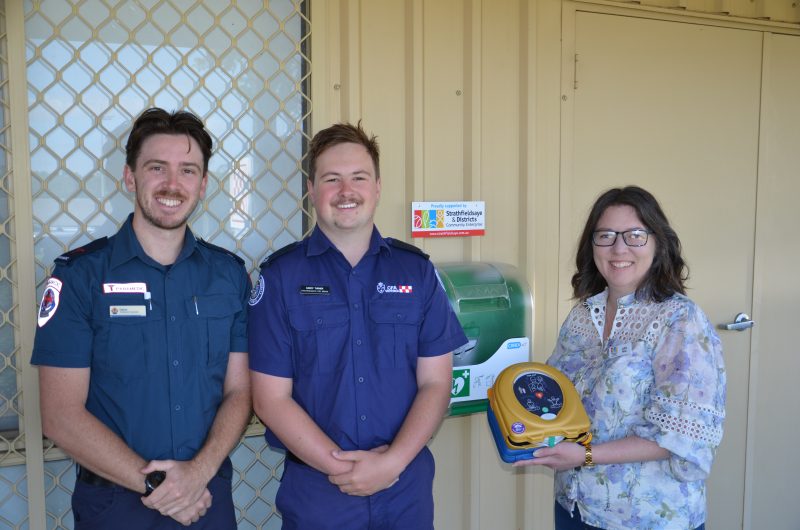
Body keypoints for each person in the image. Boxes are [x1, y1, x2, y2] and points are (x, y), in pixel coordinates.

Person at [32, 108, 252, 529]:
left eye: (188, 170)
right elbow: (60, 414)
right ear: (130, 177)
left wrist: (197, 475)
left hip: (205, 501)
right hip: (116, 507)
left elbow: (240, 391)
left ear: (203, 185)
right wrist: (160, 488)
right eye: (157, 168)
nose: (173, 184)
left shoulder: (228, 276)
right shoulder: (80, 277)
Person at [248, 121, 468, 529]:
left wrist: (392, 463)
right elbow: (269, 399)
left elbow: (436, 383)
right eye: (332, 179)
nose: (346, 191)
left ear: (378, 187)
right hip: (318, 489)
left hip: (405, 486)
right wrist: (346, 469)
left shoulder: (416, 271)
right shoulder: (279, 278)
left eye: (358, 178)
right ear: (312, 191)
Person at [520, 186, 726, 530]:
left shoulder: (680, 321)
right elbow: (555, 394)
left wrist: (585, 455)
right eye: (606, 236)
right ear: (592, 245)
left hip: (646, 516)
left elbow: (680, 435)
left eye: (634, 235)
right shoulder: (584, 315)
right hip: (575, 505)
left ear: (658, 243)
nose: (619, 248)